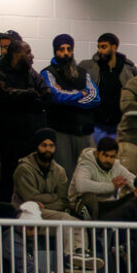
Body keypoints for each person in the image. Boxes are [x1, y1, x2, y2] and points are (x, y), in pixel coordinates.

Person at [13, 129, 103, 270]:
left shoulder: (59, 170)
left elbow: (63, 200)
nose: (48, 149)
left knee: (77, 222)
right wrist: (52, 198)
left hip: (49, 213)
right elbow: (30, 199)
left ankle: (80, 252)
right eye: (44, 145)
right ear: (37, 147)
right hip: (27, 214)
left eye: (51, 145)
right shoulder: (24, 169)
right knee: (66, 219)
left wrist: (46, 200)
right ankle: (68, 257)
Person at [0, 39, 49, 200]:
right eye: (27, 52)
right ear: (15, 54)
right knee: (8, 178)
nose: (32, 56)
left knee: (28, 178)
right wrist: (30, 94)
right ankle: (7, 219)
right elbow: (6, 94)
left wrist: (28, 96)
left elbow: (46, 93)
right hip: (7, 138)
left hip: (29, 136)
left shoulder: (30, 72)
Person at [40, 34, 101, 177]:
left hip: (85, 132)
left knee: (87, 175)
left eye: (69, 49)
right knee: (64, 175)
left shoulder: (83, 73)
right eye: (62, 49)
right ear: (55, 51)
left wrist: (68, 96)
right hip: (62, 131)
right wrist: (80, 94)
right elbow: (56, 96)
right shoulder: (48, 72)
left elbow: (95, 98)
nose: (66, 53)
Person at [79, 33, 136, 141]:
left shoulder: (128, 69)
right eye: (99, 47)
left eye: (104, 47)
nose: (100, 50)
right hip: (97, 124)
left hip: (121, 125)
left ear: (114, 47)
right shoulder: (89, 67)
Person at [69, 137, 137, 218]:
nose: (108, 160)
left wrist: (133, 186)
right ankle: (93, 228)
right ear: (97, 153)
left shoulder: (116, 166)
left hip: (106, 205)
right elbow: (81, 186)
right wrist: (111, 186)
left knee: (135, 195)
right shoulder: (86, 164)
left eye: (112, 157)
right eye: (105, 155)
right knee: (89, 196)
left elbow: (134, 181)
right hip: (79, 206)